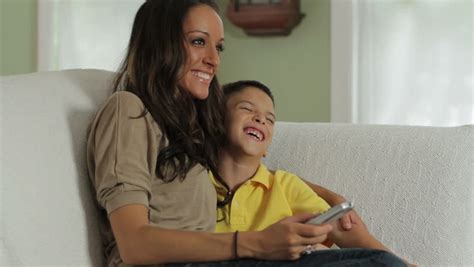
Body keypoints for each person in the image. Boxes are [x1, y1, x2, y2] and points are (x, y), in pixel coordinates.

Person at [87, 1, 405, 266]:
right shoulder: (128, 110)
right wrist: (255, 243)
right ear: (160, 43)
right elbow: (135, 245)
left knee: (376, 261)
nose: (213, 60)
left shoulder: (184, 132)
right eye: (199, 41)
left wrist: (330, 197)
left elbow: (245, 166)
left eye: (219, 47)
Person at [211, 80, 411, 264]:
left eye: (270, 120)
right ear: (216, 121)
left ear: (266, 149)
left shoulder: (284, 184)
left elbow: (341, 228)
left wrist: (402, 264)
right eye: (246, 108)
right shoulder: (195, 180)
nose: (261, 120)